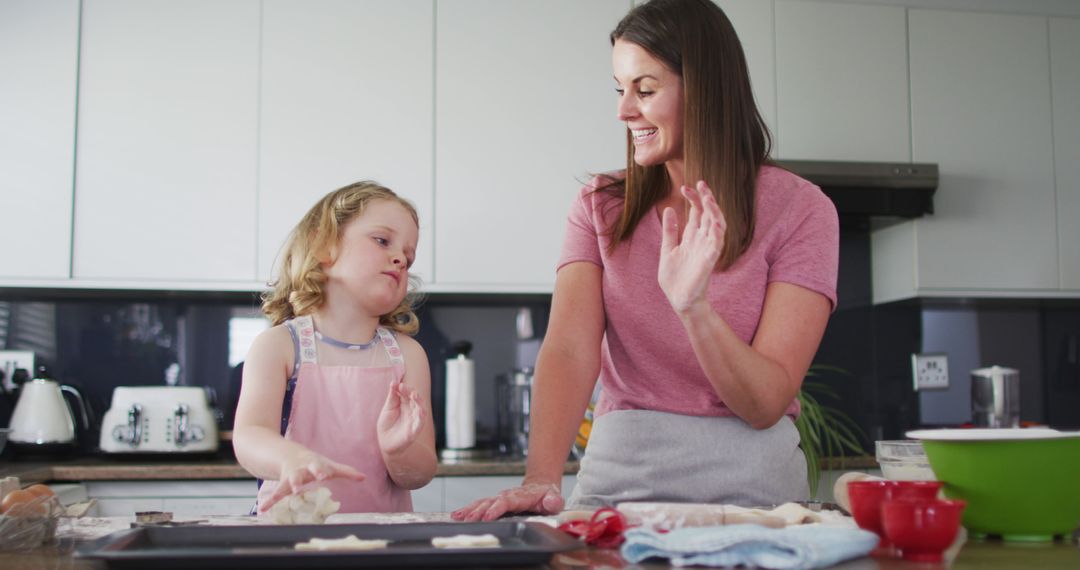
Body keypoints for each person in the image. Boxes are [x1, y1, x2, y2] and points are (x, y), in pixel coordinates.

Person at [453, 0, 838, 521]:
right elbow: (569, 349)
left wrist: (694, 308)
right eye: (620, 88)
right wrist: (541, 478)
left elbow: (765, 402)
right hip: (617, 488)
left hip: (756, 499)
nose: (623, 110)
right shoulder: (599, 204)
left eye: (646, 89)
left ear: (703, 90)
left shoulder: (801, 210)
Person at [233, 181, 437, 514]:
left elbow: (420, 473)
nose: (400, 258)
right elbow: (249, 436)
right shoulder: (280, 346)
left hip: (382, 546)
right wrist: (291, 458)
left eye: (409, 257)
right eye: (382, 241)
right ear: (323, 245)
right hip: (289, 540)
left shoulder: (408, 355)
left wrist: (399, 451)